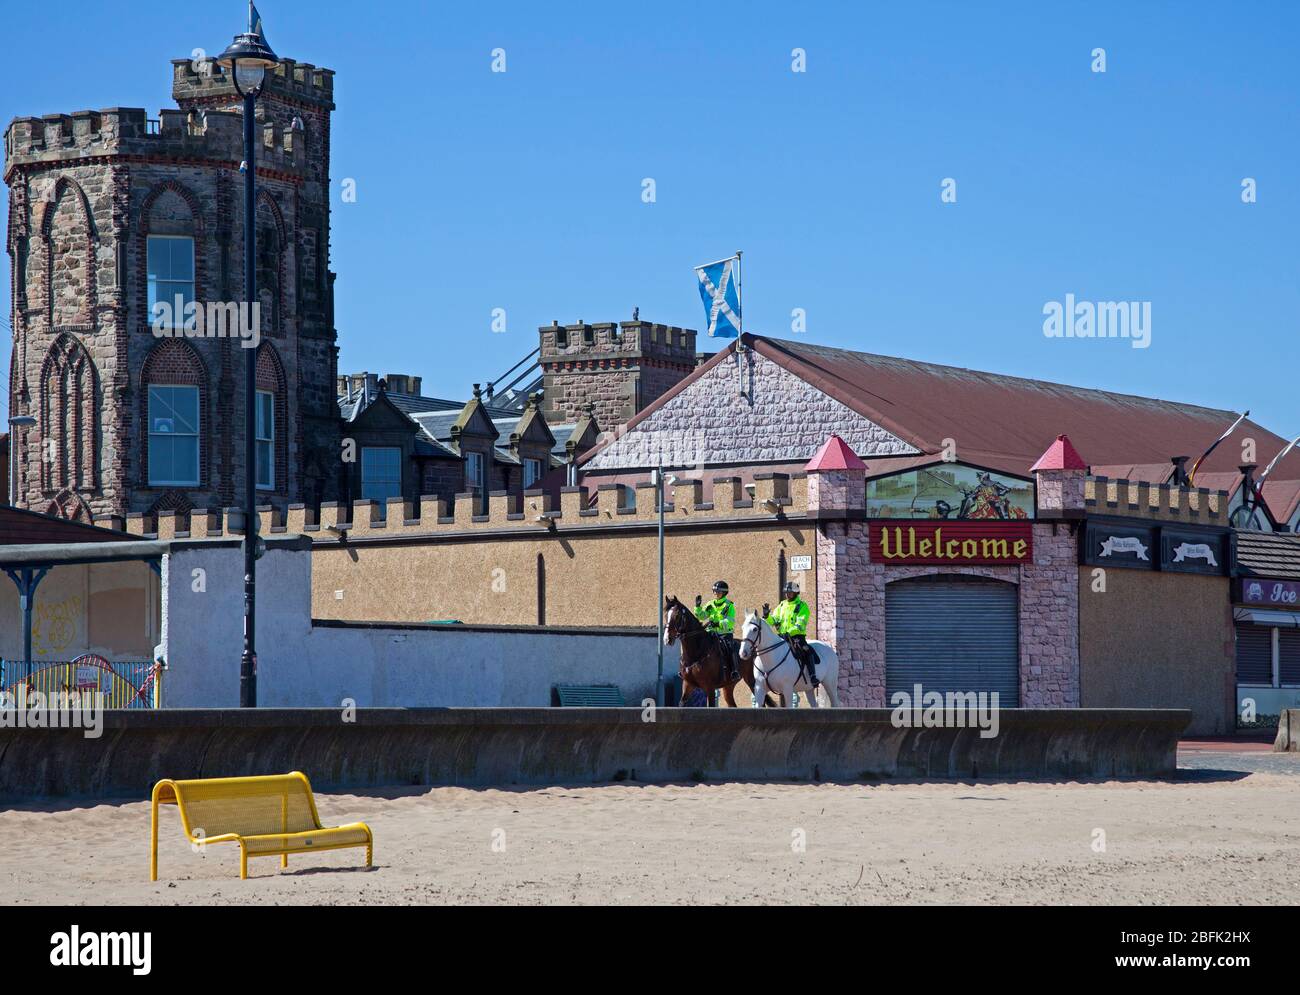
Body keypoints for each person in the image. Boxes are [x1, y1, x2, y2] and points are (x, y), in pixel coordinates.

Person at [764, 581, 817, 688]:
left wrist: (789, 632)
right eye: (786, 593)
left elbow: (800, 624)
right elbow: (774, 621)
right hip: (782, 637)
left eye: (790, 593)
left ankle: (813, 676)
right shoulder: (782, 605)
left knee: (807, 650)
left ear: (796, 593)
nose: (787, 594)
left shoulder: (802, 606)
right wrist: (767, 616)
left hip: (796, 637)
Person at [694, 581, 738, 682]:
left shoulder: (729, 605)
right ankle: (691, 666)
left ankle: (734, 671)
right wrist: (697, 607)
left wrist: (718, 624)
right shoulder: (710, 604)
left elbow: (730, 621)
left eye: (717, 592)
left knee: (729, 648)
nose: (715, 593)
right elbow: (702, 616)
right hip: (710, 633)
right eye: (714, 591)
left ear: (724, 593)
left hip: (724, 634)